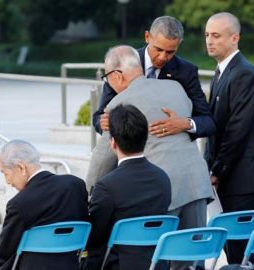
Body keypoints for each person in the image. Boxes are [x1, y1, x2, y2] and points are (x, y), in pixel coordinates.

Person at [86, 45, 213, 269]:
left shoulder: (120, 104)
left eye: (107, 78)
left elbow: (103, 158)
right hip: (196, 183)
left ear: (117, 75)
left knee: (161, 261)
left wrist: (86, 194)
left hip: (162, 189)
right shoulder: (175, 88)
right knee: (192, 262)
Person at [204, 12, 254, 264]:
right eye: (207, 35)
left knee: (239, 249)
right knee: (232, 246)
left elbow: (237, 131)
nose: (209, 41)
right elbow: (215, 127)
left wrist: (217, 171)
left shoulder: (244, 73)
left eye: (216, 35)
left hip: (241, 176)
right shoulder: (222, 70)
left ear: (235, 38)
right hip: (227, 173)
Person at [93, 16, 215, 140]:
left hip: (168, 151)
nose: (162, 57)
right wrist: (103, 123)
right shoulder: (123, 62)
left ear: (180, 43)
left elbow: (207, 121)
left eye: (170, 52)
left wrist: (185, 124)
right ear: (147, 37)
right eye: (158, 49)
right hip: (129, 149)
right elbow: (98, 117)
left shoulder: (186, 72)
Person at [83, 104, 171, 270]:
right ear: (145, 138)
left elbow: (92, 237)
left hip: (116, 264)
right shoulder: (162, 178)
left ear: (113, 142)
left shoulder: (107, 185)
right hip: (155, 264)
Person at [0, 140, 88, 270]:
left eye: (6, 174)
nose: (7, 181)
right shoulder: (76, 185)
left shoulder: (19, 203)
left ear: (21, 167)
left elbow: (3, 251)